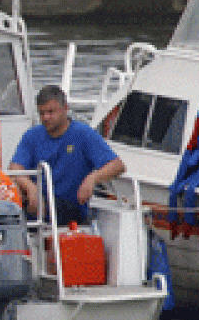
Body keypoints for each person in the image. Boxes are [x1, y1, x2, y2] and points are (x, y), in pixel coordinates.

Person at [8, 85, 124, 226]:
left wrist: (92, 178)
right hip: (37, 203)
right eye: (42, 113)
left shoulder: (83, 134)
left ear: (65, 108)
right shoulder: (32, 136)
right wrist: (30, 187)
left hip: (71, 207)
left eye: (51, 112)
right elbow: (15, 168)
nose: (46, 117)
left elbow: (117, 165)